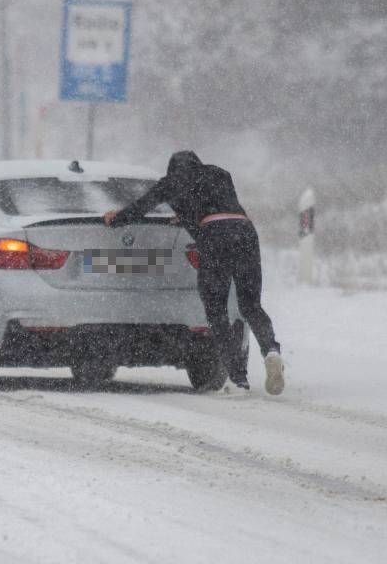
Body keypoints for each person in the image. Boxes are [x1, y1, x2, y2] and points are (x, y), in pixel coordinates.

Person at [102, 151, 285, 394]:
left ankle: (238, 379)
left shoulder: (170, 183)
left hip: (214, 237)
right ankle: (271, 350)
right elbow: (215, 205)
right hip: (244, 232)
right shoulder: (221, 174)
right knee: (251, 305)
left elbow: (139, 209)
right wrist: (188, 217)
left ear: (172, 169)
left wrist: (114, 219)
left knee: (217, 310)